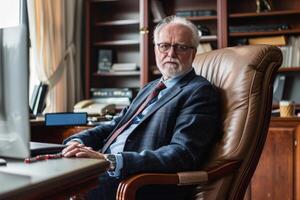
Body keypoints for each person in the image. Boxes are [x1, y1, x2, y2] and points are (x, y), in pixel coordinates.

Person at [62, 15, 219, 200]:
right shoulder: (149, 88)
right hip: (105, 168)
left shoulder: (199, 91)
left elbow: (181, 153)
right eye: (164, 46)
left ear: (193, 53)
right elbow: (115, 125)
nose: (171, 54)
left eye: (181, 47)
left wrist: (112, 161)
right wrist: (76, 142)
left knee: (51, 188)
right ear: (155, 50)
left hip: (138, 181)